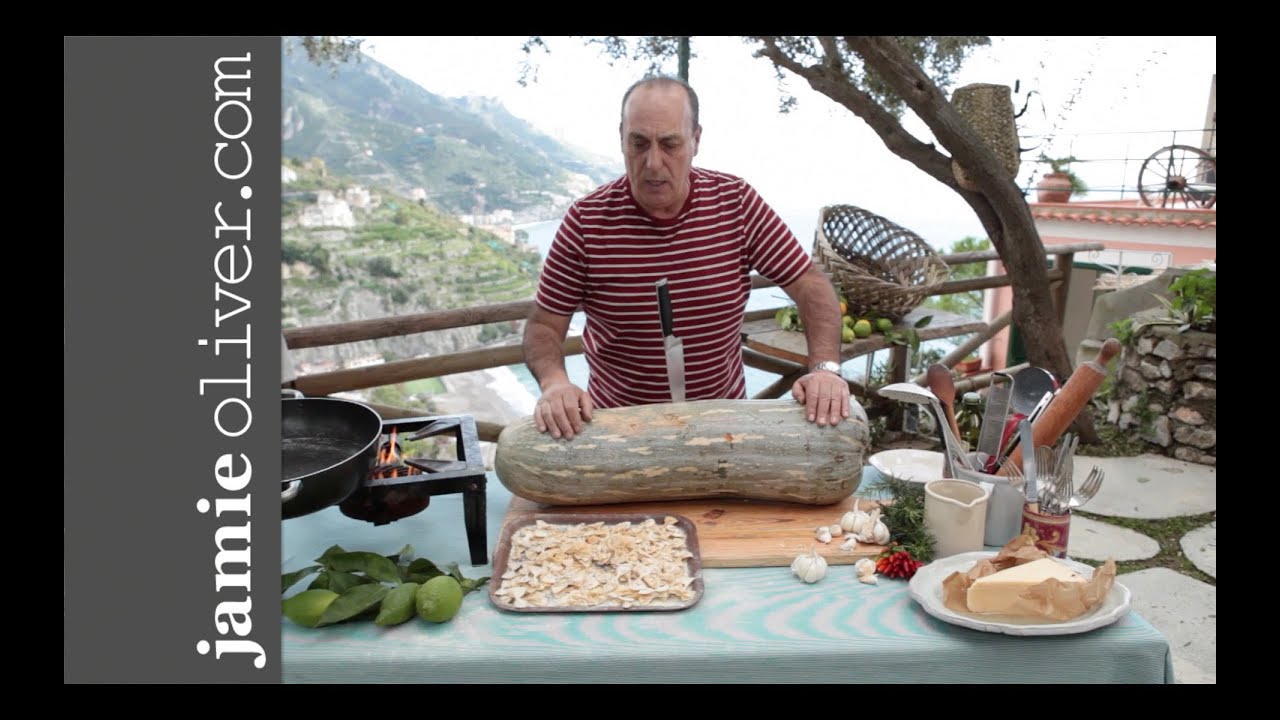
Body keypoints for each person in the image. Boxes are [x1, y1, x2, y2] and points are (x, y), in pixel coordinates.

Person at [522, 75, 849, 440]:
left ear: (695, 140)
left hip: (725, 429)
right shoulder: (587, 221)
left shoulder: (736, 203)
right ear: (621, 138)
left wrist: (824, 369)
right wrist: (555, 384)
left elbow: (810, 286)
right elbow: (544, 326)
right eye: (639, 143)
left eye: (670, 144)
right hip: (618, 434)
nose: (653, 163)